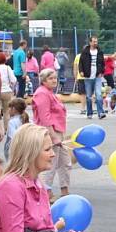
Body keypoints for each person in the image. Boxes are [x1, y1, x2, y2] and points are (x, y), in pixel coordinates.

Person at [31, 69, 70, 202]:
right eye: (50, 78)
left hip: (58, 131)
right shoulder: (42, 94)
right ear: (43, 80)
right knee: (50, 164)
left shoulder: (50, 93)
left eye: (55, 78)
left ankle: (65, 191)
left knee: (65, 162)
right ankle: (46, 192)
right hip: (49, 133)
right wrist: (53, 137)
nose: (54, 80)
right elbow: (45, 117)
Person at [80, 36, 106, 119]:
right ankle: (89, 113)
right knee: (88, 96)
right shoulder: (85, 51)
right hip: (88, 77)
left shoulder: (100, 51)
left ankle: (101, 112)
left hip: (97, 76)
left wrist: (101, 72)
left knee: (98, 94)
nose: (95, 43)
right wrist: (81, 71)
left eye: (96, 42)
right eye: (94, 42)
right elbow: (81, 62)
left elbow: (102, 63)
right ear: (90, 42)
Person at [0, 51, 17, 124]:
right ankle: (6, 129)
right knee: (6, 112)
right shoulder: (8, 68)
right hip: (7, 91)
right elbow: (14, 80)